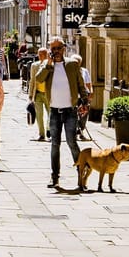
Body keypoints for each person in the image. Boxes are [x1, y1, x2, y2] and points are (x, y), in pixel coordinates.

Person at [30, 37, 88, 190]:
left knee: (71, 142)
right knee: (54, 144)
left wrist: (85, 100)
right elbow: (38, 79)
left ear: (64, 48)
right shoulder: (47, 65)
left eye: (58, 48)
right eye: (53, 48)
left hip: (70, 110)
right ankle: (54, 177)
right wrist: (49, 64)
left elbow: (80, 84)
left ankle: (82, 175)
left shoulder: (72, 64)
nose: (55, 51)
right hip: (54, 111)